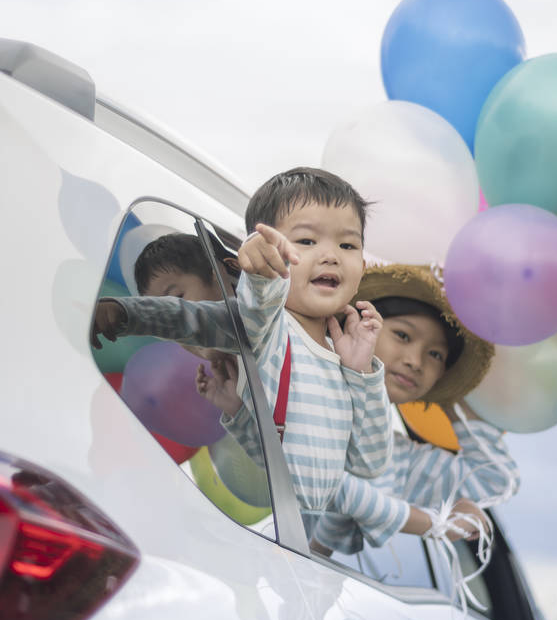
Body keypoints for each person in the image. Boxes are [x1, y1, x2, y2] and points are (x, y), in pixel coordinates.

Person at [91, 167, 393, 512]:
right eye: (306, 241)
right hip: (288, 534)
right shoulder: (265, 327)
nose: (331, 255)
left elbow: (369, 462)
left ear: (363, 267)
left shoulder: (342, 357)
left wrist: (361, 372)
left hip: (300, 539)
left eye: (347, 244)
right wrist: (126, 313)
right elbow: (207, 313)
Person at [309, 263, 520, 555]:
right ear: (356, 324)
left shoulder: (402, 459)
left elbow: (494, 480)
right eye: (403, 336)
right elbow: (332, 485)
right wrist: (435, 524)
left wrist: (454, 401)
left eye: (435, 355)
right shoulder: (308, 390)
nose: (416, 361)